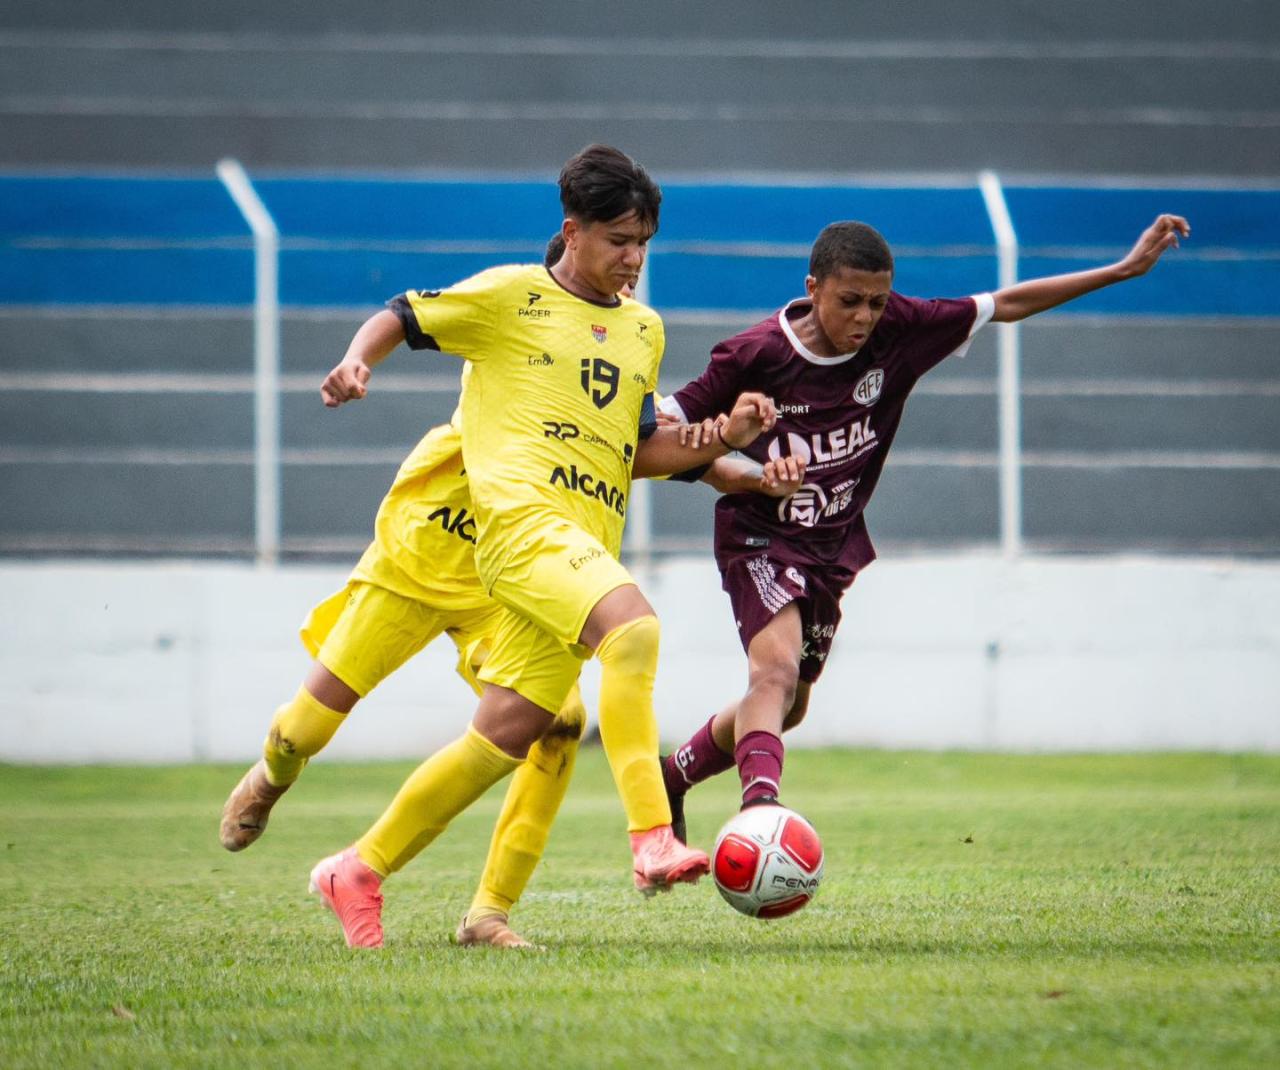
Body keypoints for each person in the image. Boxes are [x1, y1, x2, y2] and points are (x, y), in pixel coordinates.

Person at [655, 213, 1191, 835]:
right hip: (759, 537)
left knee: (787, 705)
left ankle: (672, 776)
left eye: (877, 302)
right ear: (813, 288)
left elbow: (1006, 304)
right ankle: (761, 817)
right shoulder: (753, 355)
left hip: (829, 546)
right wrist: (746, 470)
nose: (865, 317)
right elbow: (661, 438)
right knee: (772, 675)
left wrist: (1122, 270)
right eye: (850, 301)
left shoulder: (901, 329)